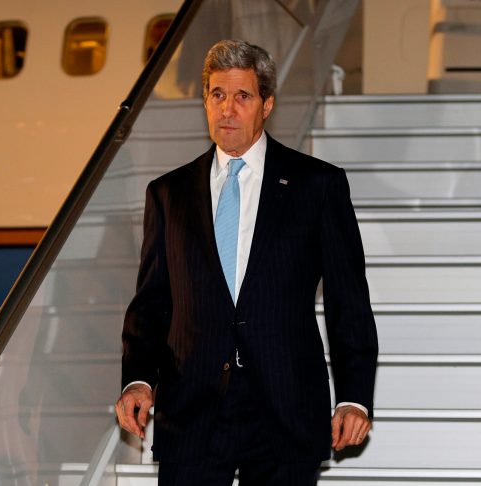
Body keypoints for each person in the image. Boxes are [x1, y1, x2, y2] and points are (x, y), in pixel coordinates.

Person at [115, 39, 378, 486]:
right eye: (218, 95)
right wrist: (138, 379)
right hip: (192, 409)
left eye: (242, 96)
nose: (228, 110)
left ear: (266, 104)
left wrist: (354, 397)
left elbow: (347, 300)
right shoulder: (167, 194)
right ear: (205, 102)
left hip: (284, 407)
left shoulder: (318, 186)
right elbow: (152, 303)